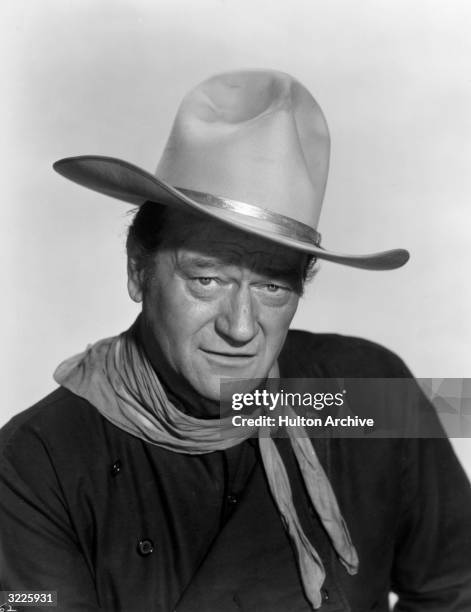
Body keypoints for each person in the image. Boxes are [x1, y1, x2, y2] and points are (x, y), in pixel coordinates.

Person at [1, 70, 470, 612]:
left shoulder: (371, 392)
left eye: (272, 285)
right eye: (208, 278)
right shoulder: (38, 459)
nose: (241, 328)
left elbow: (456, 589)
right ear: (138, 270)